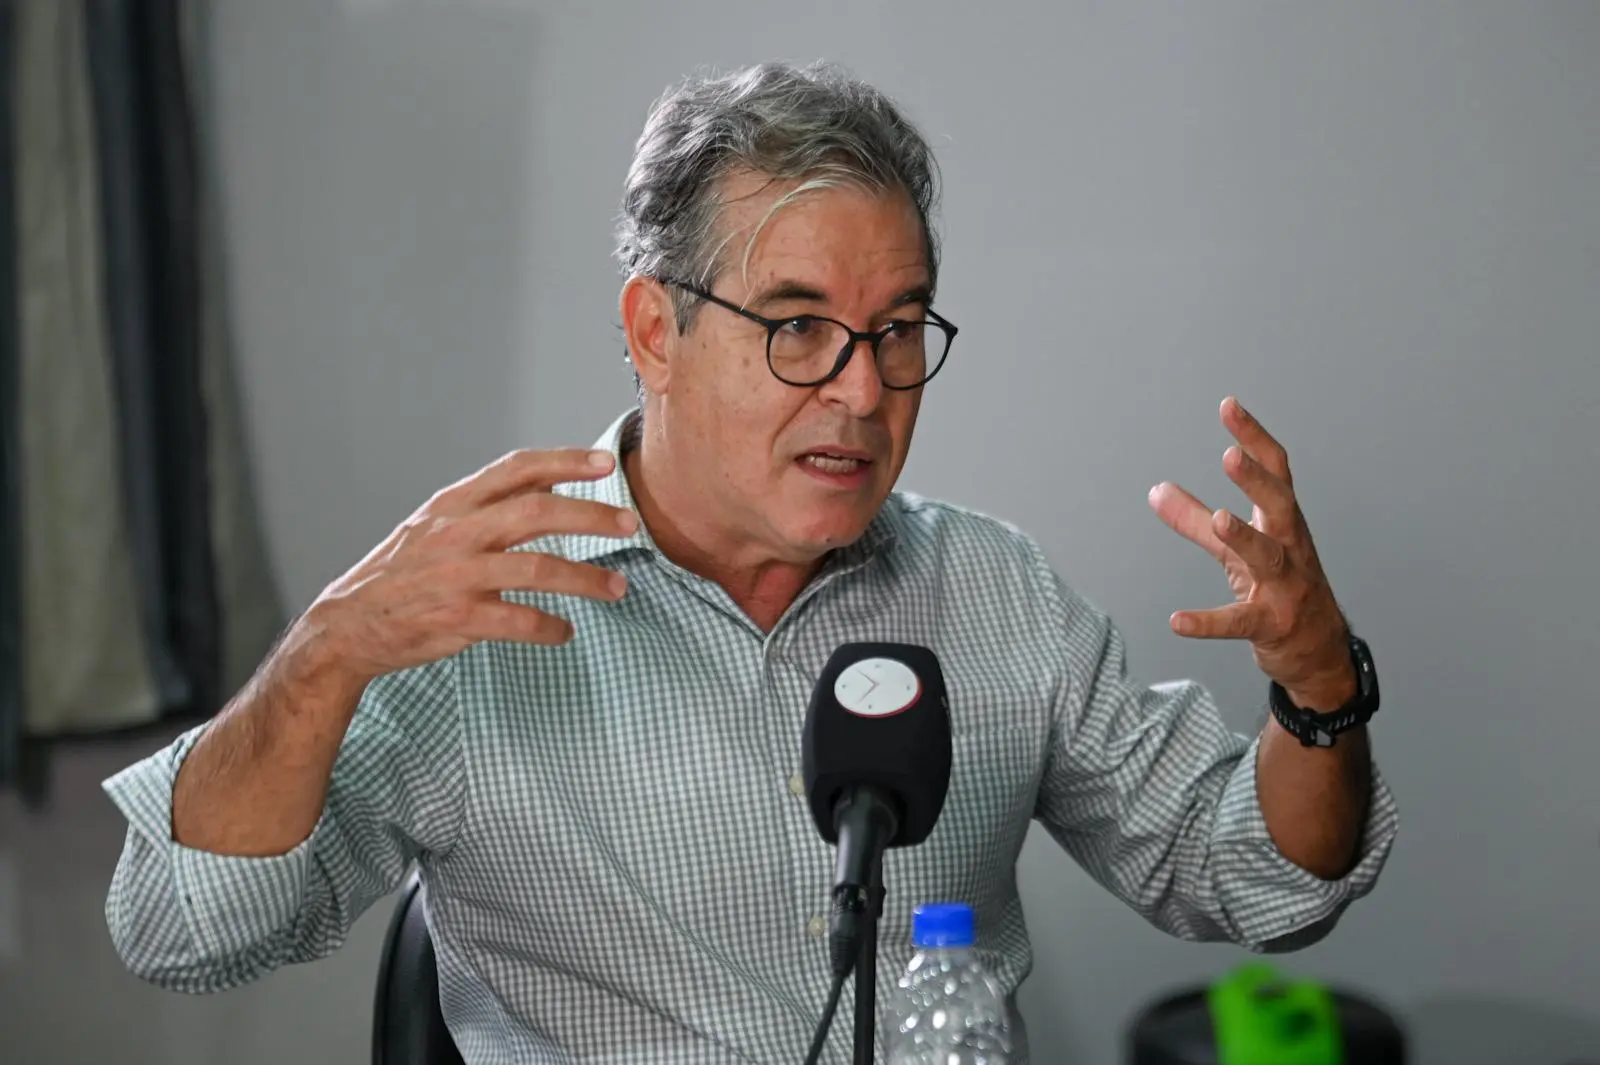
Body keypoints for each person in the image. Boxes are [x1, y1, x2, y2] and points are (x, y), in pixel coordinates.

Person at [101, 61, 1398, 1064]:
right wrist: (324, 658)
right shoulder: (477, 607)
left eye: (899, 330)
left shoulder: (995, 591)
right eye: (796, 327)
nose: (862, 390)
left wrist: (1319, 691)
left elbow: (1261, 884)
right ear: (653, 331)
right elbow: (176, 929)